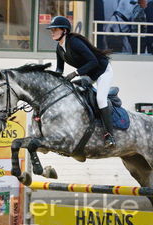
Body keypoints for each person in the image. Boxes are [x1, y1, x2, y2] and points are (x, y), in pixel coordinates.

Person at [46, 16, 116, 148]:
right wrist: (51, 79)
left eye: (55, 29)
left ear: (64, 31)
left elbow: (93, 61)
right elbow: (59, 69)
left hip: (102, 71)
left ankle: (109, 136)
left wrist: (75, 73)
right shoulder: (59, 48)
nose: (52, 31)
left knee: (101, 100)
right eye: (51, 29)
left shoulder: (75, 42)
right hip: (87, 74)